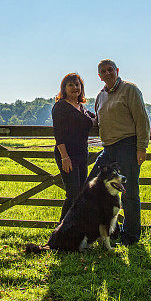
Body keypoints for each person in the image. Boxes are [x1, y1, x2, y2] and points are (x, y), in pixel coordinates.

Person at [90, 59, 150, 245]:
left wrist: (141, 147)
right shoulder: (100, 96)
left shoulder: (130, 90)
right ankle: (105, 231)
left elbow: (142, 120)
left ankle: (131, 235)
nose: (107, 73)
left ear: (117, 70)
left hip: (127, 146)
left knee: (129, 192)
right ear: (99, 76)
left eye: (110, 70)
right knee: (92, 186)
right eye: (103, 71)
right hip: (108, 149)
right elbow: (97, 121)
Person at [52, 72, 96, 221]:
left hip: (82, 154)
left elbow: (95, 119)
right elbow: (59, 134)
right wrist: (65, 157)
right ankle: (62, 230)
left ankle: (75, 228)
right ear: (64, 88)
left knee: (81, 192)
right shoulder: (60, 107)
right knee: (73, 193)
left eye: (77, 84)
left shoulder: (81, 107)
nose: (74, 88)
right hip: (67, 154)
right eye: (70, 85)